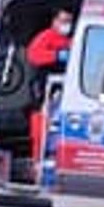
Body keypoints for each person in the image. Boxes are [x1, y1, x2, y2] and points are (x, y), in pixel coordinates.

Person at [24, 9, 76, 171]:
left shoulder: (70, 40)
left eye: (69, 21)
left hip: (62, 92)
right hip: (43, 91)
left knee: (56, 127)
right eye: (63, 20)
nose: (67, 25)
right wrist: (57, 56)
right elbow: (33, 55)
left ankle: (51, 158)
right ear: (54, 21)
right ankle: (37, 162)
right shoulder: (46, 36)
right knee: (41, 127)